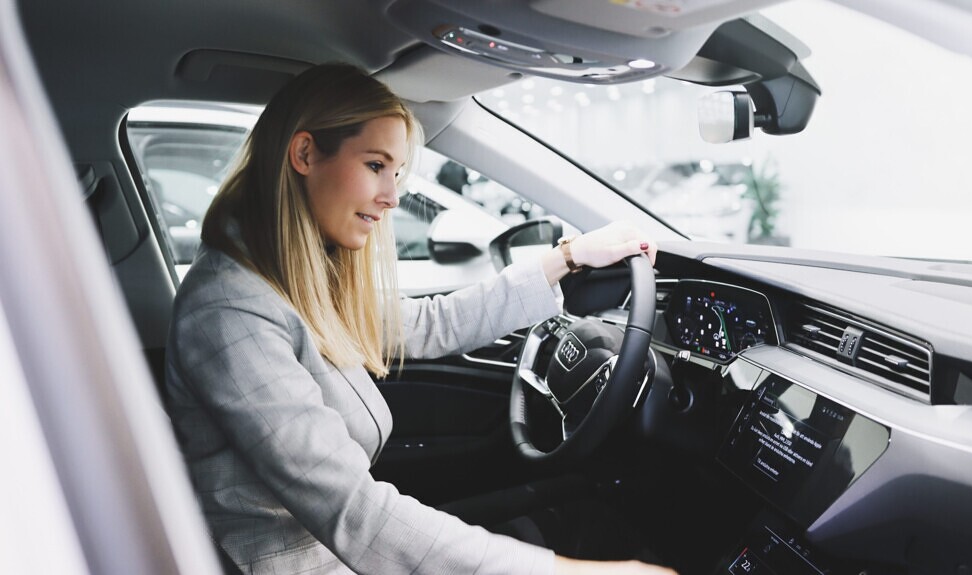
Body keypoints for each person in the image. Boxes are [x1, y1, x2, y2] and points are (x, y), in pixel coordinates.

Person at [164, 62, 670, 575]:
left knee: (575, 518)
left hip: (334, 551)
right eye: (375, 165)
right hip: (300, 562)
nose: (393, 196)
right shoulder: (230, 310)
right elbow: (354, 513)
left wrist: (569, 256)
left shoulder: (291, 277)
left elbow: (432, 323)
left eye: (396, 172)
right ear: (305, 154)